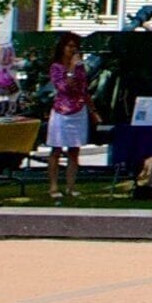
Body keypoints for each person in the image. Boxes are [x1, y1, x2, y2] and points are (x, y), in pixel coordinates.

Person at [40, 36, 92, 201]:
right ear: (62, 48)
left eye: (75, 47)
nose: (72, 50)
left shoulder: (80, 67)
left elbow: (83, 88)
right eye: (69, 46)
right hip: (62, 111)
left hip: (78, 110)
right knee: (56, 149)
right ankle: (53, 186)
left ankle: (71, 186)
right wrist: (70, 68)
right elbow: (64, 87)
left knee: (74, 150)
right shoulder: (56, 67)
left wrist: (93, 109)